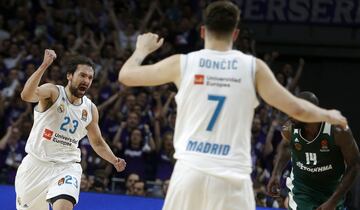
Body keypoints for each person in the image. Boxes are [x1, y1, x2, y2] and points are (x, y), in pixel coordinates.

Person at [118, 1, 347, 209]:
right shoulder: (252, 67)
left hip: (189, 172)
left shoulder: (183, 63)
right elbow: (297, 109)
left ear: (202, 31)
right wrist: (329, 114)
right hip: (232, 177)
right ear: (235, 34)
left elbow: (126, 76)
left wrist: (142, 50)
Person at [15, 49, 126, 210]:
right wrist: (44, 65)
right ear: (69, 76)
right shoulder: (53, 92)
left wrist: (114, 159)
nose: (86, 80)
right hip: (35, 165)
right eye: (82, 75)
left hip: (67, 166)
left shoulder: (90, 109)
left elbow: (97, 142)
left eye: (90, 77)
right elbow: (27, 95)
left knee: (64, 207)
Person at [267, 91, 360, 210]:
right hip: (301, 191)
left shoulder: (337, 130)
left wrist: (333, 202)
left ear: (310, 112)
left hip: (331, 192)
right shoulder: (290, 127)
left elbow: (355, 165)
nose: (290, 116)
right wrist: (276, 173)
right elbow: (285, 147)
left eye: (296, 112)